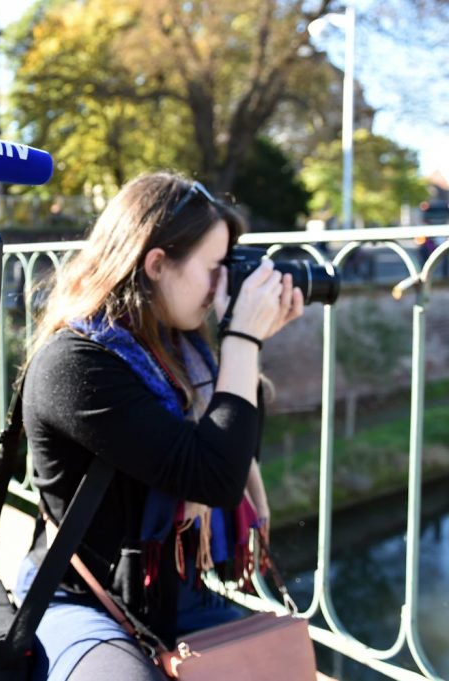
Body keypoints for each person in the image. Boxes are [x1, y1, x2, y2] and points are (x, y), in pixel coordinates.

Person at [15, 172, 303, 680]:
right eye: (215, 269)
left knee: (278, 667)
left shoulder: (179, 351)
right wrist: (241, 340)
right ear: (156, 264)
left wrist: (242, 351)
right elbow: (212, 478)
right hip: (82, 600)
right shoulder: (77, 364)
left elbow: (233, 454)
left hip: (170, 596)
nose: (224, 286)